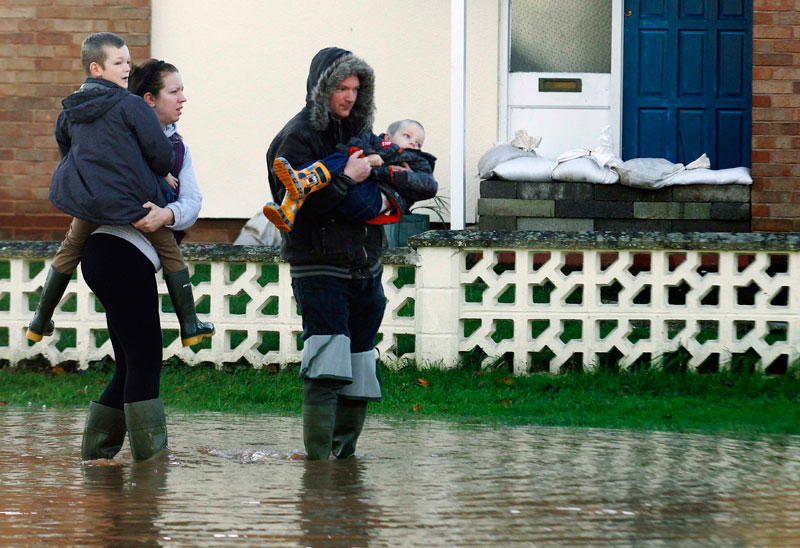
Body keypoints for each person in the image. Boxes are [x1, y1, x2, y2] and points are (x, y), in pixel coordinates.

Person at [27, 33, 213, 348]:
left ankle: (40, 320)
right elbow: (158, 153)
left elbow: (66, 147)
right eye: (119, 62)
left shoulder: (72, 108)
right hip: (132, 202)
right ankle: (191, 324)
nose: (127, 67)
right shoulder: (131, 106)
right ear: (97, 68)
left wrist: (86, 179)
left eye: (128, 61)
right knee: (170, 252)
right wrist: (163, 173)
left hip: (89, 202)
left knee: (70, 248)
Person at [75, 49, 204, 462]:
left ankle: (98, 457)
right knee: (147, 357)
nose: (183, 99)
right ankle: (151, 465)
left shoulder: (178, 147)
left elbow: (193, 201)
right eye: (174, 91)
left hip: (128, 257)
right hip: (113, 251)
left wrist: (167, 213)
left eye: (184, 91)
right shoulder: (120, 135)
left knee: (132, 362)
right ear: (148, 100)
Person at [266, 46, 385, 460]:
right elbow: (294, 208)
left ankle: (343, 462)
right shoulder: (296, 137)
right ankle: (319, 466)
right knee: (326, 363)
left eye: (355, 88)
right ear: (321, 88)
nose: (349, 97)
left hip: (366, 267)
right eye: (340, 87)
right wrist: (346, 180)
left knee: (360, 366)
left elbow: (385, 181)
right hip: (319, 268)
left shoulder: (358, 132)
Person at [264, 119, 438, 231]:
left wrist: (391, 173)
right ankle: (290, 206)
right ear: (388, 137)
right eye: (407, 136)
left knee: (347, 160)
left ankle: (308, 180)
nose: (413, 143)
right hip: (354, 192)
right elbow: (358, 140)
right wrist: (369, 154)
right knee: (345, 155)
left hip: (373, 200)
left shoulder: (417, 160)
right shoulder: (381, 143)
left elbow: (429, 185)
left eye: (418, 143)